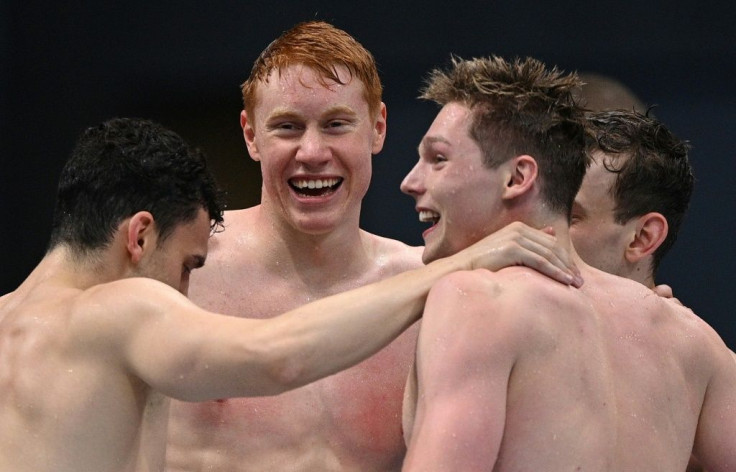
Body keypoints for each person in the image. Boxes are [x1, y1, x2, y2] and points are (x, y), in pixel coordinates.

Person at [0, 117, 580, 472]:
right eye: (186, 266)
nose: (186, 290)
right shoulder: (117, 309)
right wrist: (462, 264)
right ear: (140, 234)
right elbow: (278, 357)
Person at [164, 21, 582, 472]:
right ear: (251, 135)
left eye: (336, 124)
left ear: (378, 127)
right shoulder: (182, 271)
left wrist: (647, 295)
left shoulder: (438, 293)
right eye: (287, 126)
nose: (311, 152)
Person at [400, 55, 736, 471]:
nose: (410, 181)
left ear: (517, 177)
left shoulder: (477, 302)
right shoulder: (694, 342)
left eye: (438, 159)